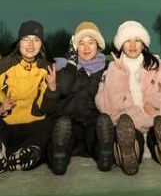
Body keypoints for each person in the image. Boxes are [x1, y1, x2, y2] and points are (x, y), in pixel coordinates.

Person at [94, 20, 161, 174]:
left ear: (144, 44)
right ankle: (129, 154)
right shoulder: (112, 69)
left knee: (159, 132)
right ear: (121, 45)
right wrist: (118, 75)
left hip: (155, 120)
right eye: (128, 41)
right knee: (128, 132)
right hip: (130, 123)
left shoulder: (158, 66)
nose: (133, 45)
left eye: (137, 40)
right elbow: (106, 107)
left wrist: (157, 104)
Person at [0, 20, 59, 173]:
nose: (31, 44)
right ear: (18, 42)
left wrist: (52, 90)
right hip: (7, 125)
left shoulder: (47, 69)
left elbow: (48, 108)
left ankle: (22, 155)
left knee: (49, 126)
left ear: (41, 44)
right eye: (26, 39)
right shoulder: (5, 64)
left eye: (36, 40)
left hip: (33, 126)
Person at [46, 21, 115, 174]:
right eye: (81, 43)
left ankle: (105, 153)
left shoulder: (108, 68)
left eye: (91, 43)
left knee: (96, 135)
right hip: (68, 119)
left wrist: (120, 73)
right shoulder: (63, 65)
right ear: (75, 47)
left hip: (93, 121)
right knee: (63, 136)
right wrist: (72, 62)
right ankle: (58, 157)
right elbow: (63, 88)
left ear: (98, 46)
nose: (86, 48)